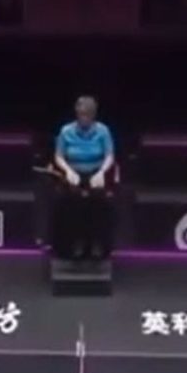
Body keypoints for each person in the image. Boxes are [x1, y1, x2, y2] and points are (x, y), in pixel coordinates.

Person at [50, 95, 117, 261]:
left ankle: (96, 243)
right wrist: (68, 171)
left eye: (87, 115)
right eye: (81, 115)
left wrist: (101, 172)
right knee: (71, 200)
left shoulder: (103, 131)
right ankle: (74, 242)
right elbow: (58, 156)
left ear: (93, 115)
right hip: (73, 172)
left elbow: (109, 156)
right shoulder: (66, 131)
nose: (84, 118)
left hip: (96, 172)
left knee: (99, 200)